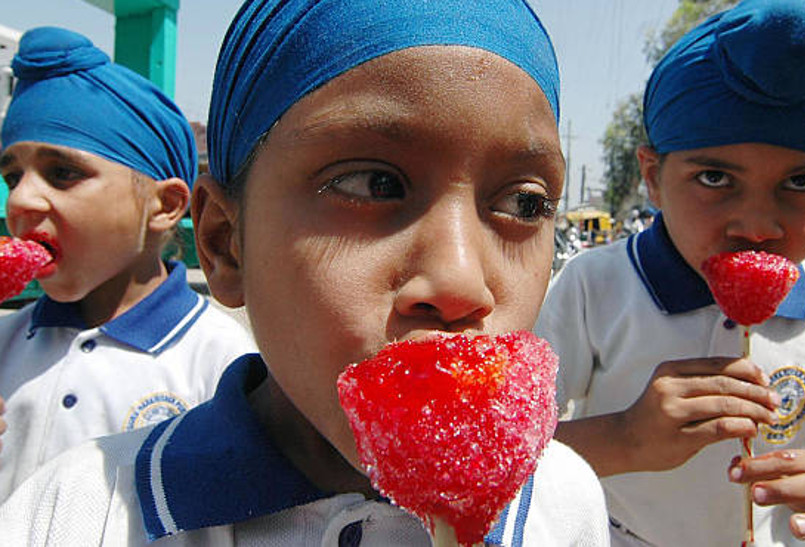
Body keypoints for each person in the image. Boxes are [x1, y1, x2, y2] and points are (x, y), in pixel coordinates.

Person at [0, 1, 611, 545]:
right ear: (224, 244)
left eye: (524, 203)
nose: (460, 285)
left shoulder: (560, 503)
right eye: (373, 184)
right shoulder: (77, 515)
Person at [535, 0, 805, 545]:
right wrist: (624, 438)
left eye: (801, 183)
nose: (758, 226)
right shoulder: (592, 287)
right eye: (716, 178)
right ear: (652, 177)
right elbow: (510, 460)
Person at [0, 27, 255, 503]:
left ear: (164, 206)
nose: (21, 199)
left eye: (63, 173)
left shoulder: (219, 362)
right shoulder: (6, 342)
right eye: (13, 175)